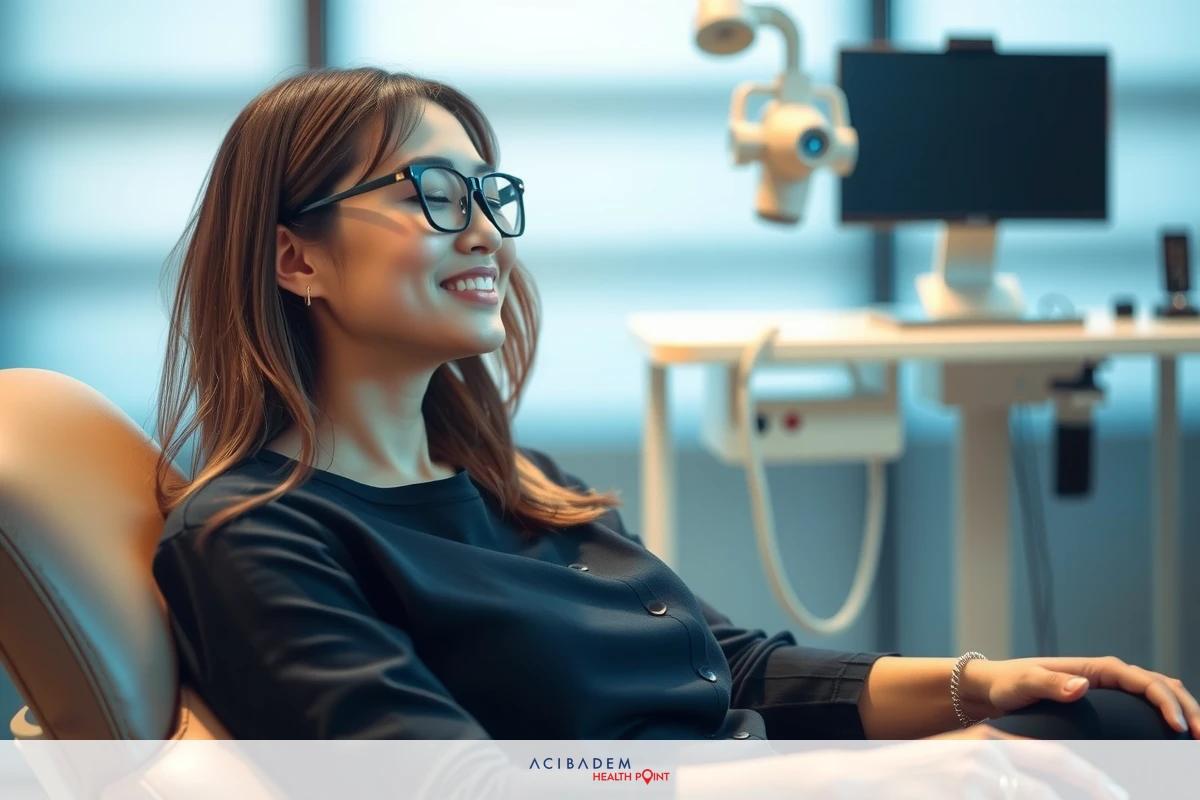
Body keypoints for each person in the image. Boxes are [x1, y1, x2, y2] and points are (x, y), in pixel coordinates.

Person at [150, 68, 1197, 754]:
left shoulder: (510, 479)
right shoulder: (259, 536)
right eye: (432, 190)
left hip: (759, 769)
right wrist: (902, 778)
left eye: (490, 195)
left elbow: (730, 664)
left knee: (1112, 719)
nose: (483, 233)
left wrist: (983, 686)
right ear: (296, 256)